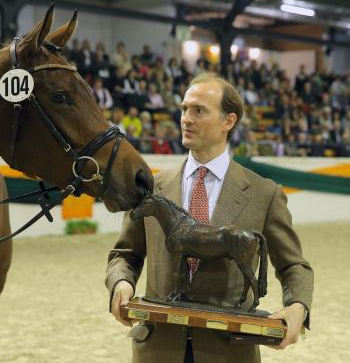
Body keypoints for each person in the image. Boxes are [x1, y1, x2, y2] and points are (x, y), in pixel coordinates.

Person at [106, 72, 314, 363]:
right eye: (184, 109)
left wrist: (297, 306)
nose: (186, 119)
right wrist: (121, 283)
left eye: (199, 110)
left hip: (229, 351)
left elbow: (294, 265)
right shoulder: (151, 188)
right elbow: (125, 254)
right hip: (158, 349)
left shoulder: (264, 193)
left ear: (228, 121)